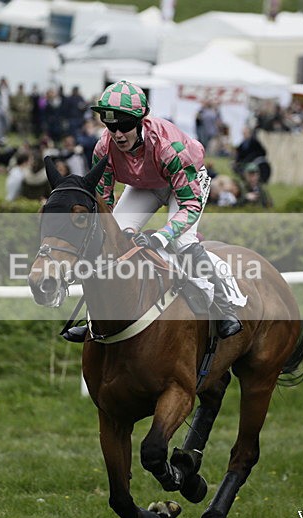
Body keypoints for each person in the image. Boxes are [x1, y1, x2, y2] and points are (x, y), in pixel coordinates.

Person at [64, 80, 243, 342]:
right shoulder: (104, 147)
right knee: (110, 239)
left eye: (125, 125)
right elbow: (103, 198)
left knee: (181, 241)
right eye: (111, 125)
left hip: (184, 184)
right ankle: (94, 318)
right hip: (146, 183)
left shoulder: (171, 149)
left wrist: (160, 236)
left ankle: (224, 308)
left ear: (140, 121)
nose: (118, 134)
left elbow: (189, 205)